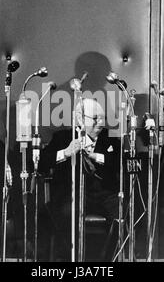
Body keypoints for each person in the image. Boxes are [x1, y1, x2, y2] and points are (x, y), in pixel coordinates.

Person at [39, 98, 120, 260]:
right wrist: (65, 153)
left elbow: (118, 163)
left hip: (103, 194)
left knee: (124, 213)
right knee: (66, 214)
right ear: (79, 119)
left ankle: (106, 259)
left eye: (103, 118)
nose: (100, 123)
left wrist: (96, 156)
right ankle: (73, 259)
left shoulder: (110, 139)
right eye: (95, 118)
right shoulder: (62, 138)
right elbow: (41, 164)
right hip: (70, 194)